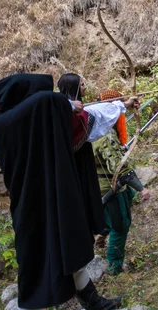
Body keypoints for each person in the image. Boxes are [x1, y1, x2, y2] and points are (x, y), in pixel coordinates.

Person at [0, 74, 122, 310]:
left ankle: (94, 304)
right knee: (32, 277)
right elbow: (49, 102)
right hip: (32, 209)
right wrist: (67, 102)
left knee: (70, 249)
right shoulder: (5, 124)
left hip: (46, 198)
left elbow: (70, 125)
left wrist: (100, 107)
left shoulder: (26, 120)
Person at [58, 73, 139, 246]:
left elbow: (98, 110)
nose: (85, 88)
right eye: (81, 85)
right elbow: (97, 113)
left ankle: (96, 234)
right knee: (116, 222)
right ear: (73, 89)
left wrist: (124, 105)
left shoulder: (65, 112)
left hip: (83, 173)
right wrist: (123, 105)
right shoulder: (70, 115)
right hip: (89, 175)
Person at [93, 90, 151, 276]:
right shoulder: (105, 136)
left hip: (101, 186)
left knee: (128, 196)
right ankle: (114, 267)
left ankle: (102, 230)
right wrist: (142, 188)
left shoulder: (93, 128)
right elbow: (121, 169)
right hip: (111, 187)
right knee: (121, 226)